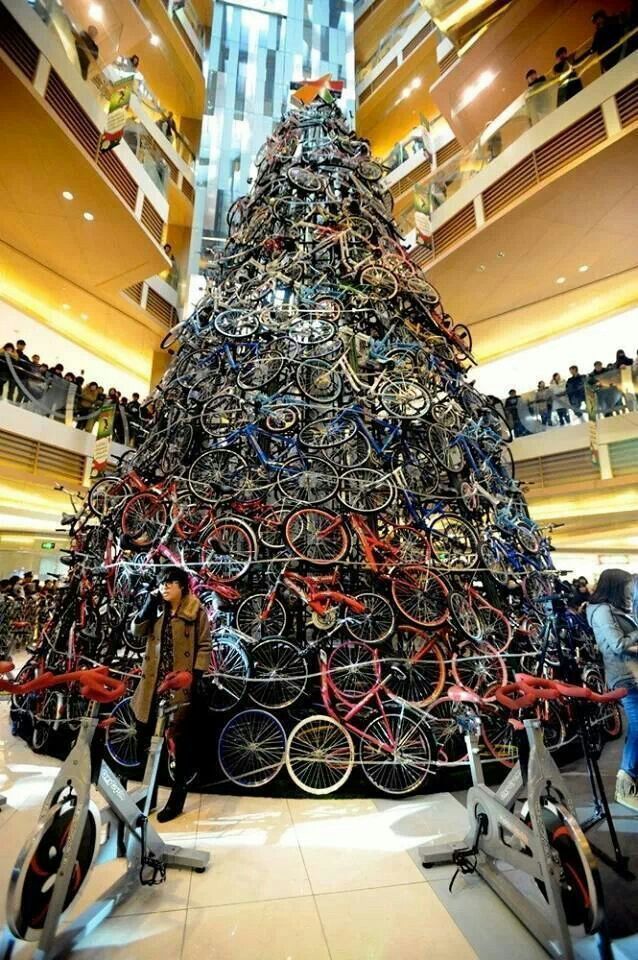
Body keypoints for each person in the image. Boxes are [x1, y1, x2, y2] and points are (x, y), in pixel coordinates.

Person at [130, 566, 211, 822]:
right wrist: (148, 604)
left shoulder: (195, 610)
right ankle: (149, 794)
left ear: (182, 586)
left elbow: (205, 645)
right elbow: (137, 631)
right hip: (153, 684)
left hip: (179, 685)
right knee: (149, 743)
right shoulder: (157, 607)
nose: (165, 588)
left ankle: (177, 798)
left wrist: (195, 675)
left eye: (170, 583)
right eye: (162, 583)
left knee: (182, 745)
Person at [586, 569, 638, 811]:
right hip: (625, 677)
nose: (630, 592)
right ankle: (625, 784)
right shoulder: (602, 611)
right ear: (617, 587)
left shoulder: (613, 609)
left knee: (636, 730)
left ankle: (629, 780)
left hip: (632, 675)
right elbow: (617, 644)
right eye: (627, 587)